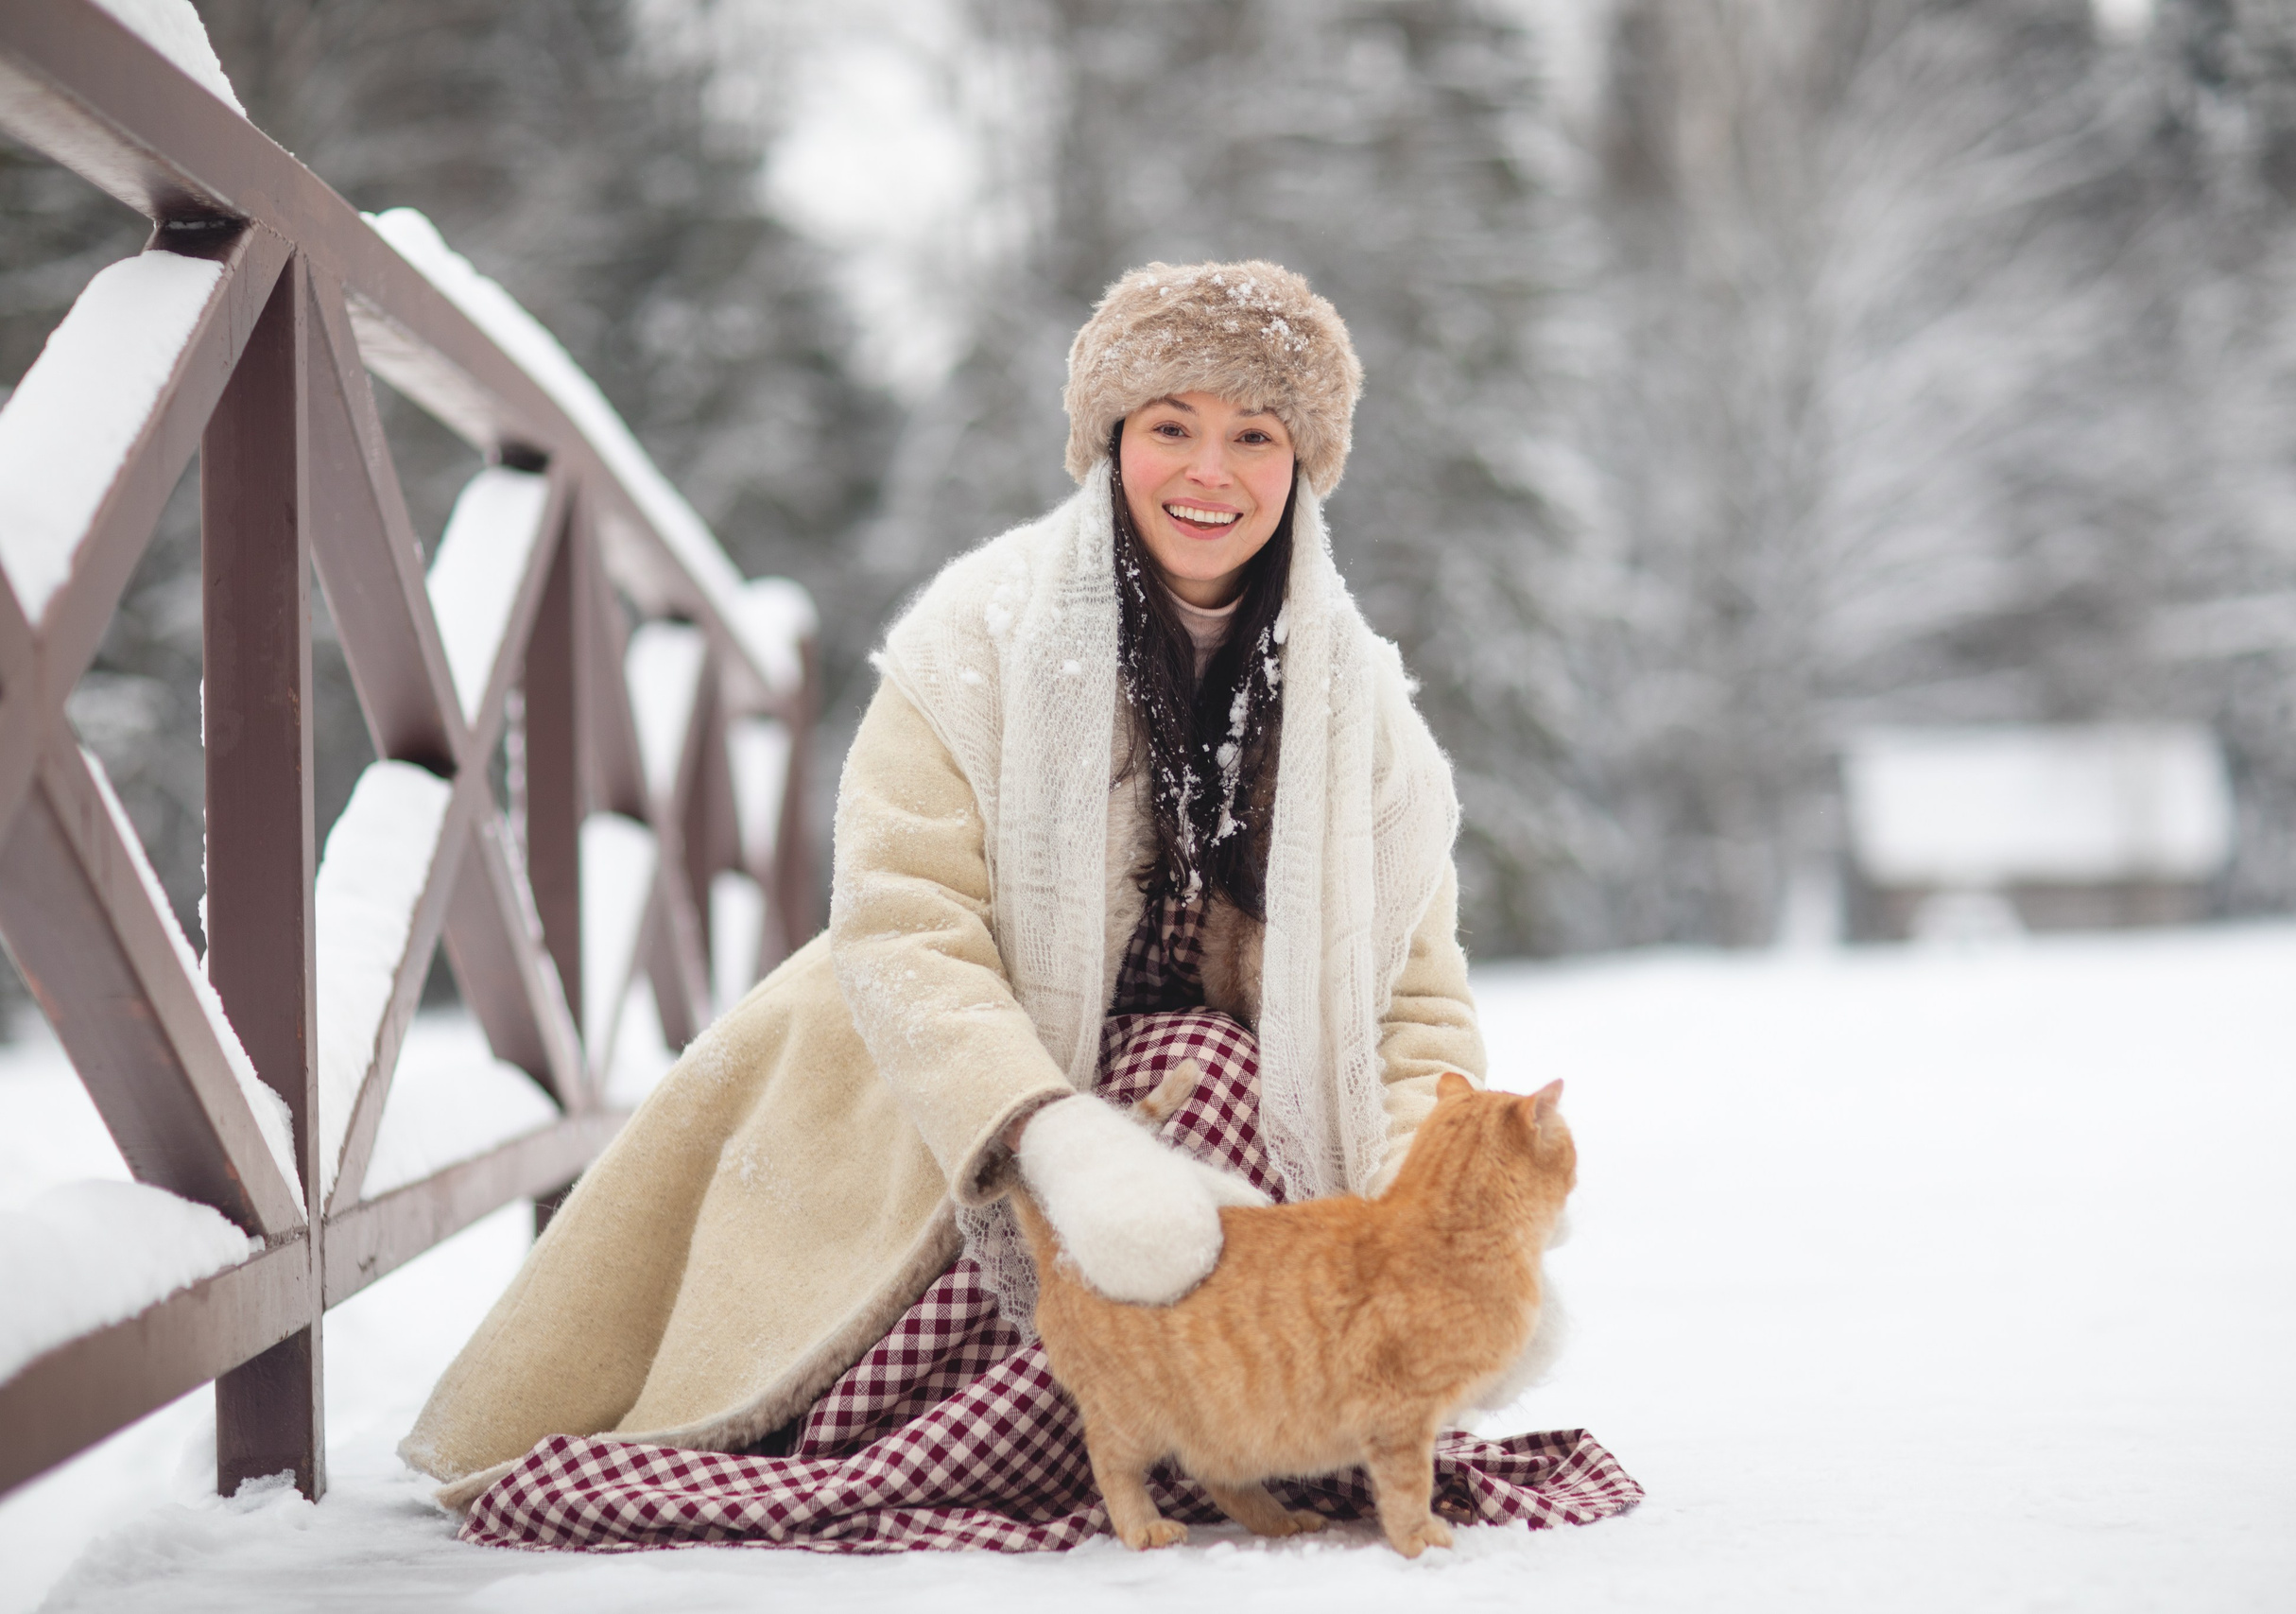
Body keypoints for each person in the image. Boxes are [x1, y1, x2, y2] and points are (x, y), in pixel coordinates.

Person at [404, 260, 1637, 1551]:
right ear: (1112, 440)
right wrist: (1055, 1138)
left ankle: (1194, 1415)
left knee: (1210, 1076)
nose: (1209, 472)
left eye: (1255, 436)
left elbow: (1413, 1002)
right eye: (1172, 426)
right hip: (967, 1105)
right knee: (1169, 1103)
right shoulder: (977, 632)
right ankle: (1004, 1417)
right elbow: (902, 920)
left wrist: (1430, 1224)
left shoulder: (1362, 709)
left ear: (1303, 465)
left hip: (1235, 1130)